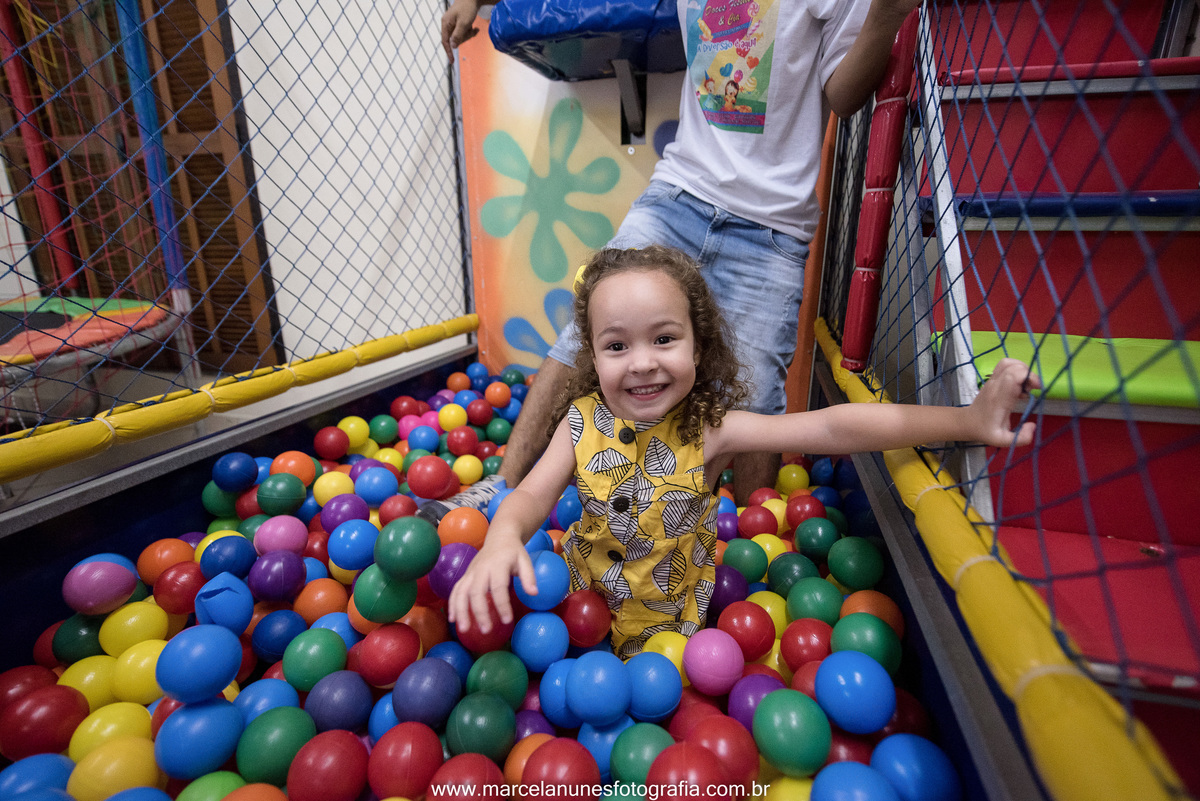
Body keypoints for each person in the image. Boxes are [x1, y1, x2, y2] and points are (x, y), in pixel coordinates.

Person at [433, 0, 923, 519]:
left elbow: (843, 96)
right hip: (677, 194)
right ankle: (501, 488)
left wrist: (886, 17)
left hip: (772, 224)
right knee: (584, 335)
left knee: (756, 391)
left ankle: (754, 539)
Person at [448, 246, 1038, 658]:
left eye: (664, 338)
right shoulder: (580, 422)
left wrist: (967, 419)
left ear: (697, 346)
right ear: (593, 357)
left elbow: (831, 428)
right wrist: (502, 538)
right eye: (616, 346)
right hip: (574, 605)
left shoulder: (710, 430)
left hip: (670, 634)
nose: (643, 362)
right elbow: (530, 495)